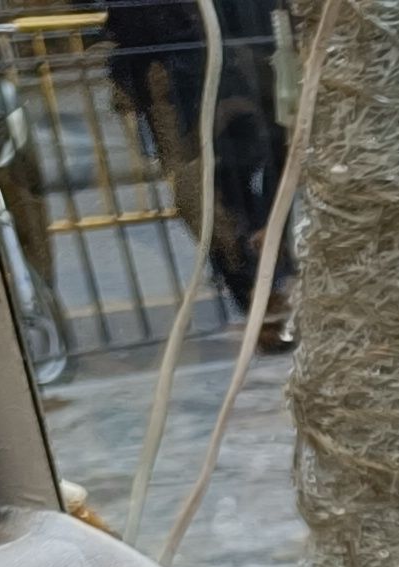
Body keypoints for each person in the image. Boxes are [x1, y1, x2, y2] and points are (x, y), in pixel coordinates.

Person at [103, 1, 292, 342]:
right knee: (206, 201)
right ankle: (258, 296)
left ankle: (266, 293)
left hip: (223, 78)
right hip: (171, 86)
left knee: (239, 189)